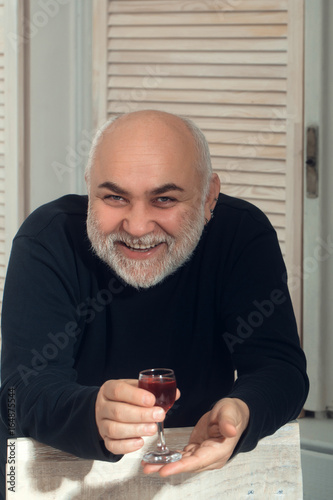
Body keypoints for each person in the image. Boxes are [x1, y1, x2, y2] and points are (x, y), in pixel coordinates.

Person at [0, 110, 308, 497]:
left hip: (197, 478)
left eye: (164, 199)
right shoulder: (48, 239)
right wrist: (91, 411)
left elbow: (281, 369)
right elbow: (17, 394)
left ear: (210, 197)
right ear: (88, 187)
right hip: (55, 480)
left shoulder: (240, 234)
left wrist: (244, 410)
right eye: (114, 197)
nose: (137, 226)